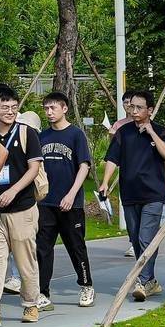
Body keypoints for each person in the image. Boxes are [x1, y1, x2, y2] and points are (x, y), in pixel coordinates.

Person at [101, 89, 165, 298]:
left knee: (146, 238)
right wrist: (105, 182)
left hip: (153, 194)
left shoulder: (161, 132)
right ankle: (149, 280)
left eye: (139, 107)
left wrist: (150, 132)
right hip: (130, 193)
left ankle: (142, 282)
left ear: (149, 110)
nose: (133, 111)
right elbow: (112, 158)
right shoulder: (123, 133)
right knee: (135, 239)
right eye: (131, 106)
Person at [0, 87, 42, 325]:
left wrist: (14, 190)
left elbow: (33, 168)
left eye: (14, 107)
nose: (10, 111)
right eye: (4, 107)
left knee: (26, 261)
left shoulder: (27, 133)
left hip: (22, 207)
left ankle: (30, 304)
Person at [34, 90, 95, 305]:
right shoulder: (42, 136)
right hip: (46, 203)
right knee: (43, 248)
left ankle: (86, 285)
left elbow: (84, 166)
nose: (49, 112)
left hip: (71, 203)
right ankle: (42, 292)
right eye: (46, 108)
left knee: (76, 246)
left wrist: (71, 194)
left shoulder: (76, 135)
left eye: (53, 108)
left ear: (64, 108)